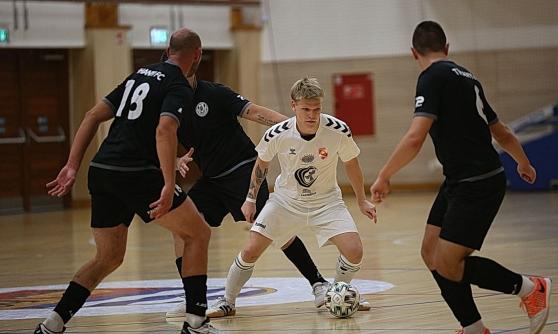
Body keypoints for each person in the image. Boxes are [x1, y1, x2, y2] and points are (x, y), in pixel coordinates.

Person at [370, 21, 551, 334]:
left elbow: (415, 137)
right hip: (460, 179)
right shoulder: (467, 76)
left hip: (477, 183)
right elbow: (501, 129)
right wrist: (523, 161)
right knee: (430, 253)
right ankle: (473, 327)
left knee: (449, 263)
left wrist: (384, 176)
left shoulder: (430, 78)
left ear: (413, 53)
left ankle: (529, 288)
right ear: (447, 48)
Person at [35, 29, 218, 334]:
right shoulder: (179, 85)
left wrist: (71, 166)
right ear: (197, 54)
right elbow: (165, 130)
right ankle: (196, 322)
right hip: (136, 174)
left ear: (167, 50)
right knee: (198, 234)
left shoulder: (138, 76)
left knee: (108, 257)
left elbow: (92, 116)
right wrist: (168, 183)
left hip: (102, 170)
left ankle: (53, 323)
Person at [164, 64, 336, 318]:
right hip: (211, 179)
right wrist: (176, 159)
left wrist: (296, 127)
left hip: (242, 170)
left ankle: (318, 283)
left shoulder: (215, 93)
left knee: (273, 229)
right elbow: (162, 136)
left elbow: (254, 112)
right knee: (182, 226)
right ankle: (192, 297)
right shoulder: (169, 104)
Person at [205, 77, 377, 318]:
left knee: (354, 250)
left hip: (326, 202)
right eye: (306, 109)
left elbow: (352, 165)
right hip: (286, 202)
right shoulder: (277, 133)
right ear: (293, 106)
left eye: (316, 109)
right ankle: (227, 301)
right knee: (251, 249)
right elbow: (261, 165)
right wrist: (250, 199)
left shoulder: (338, 130)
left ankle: (337, 292)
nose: (312, 115)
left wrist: (361, 200)